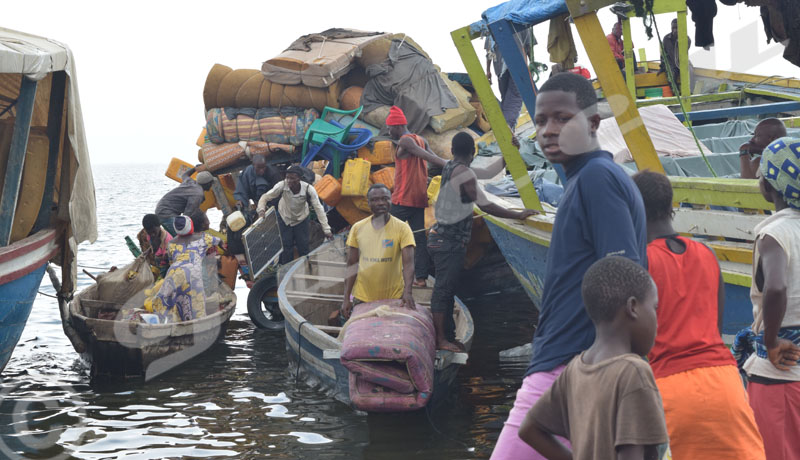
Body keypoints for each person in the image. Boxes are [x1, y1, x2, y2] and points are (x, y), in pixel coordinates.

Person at [490, 72, 647, 460]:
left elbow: (624, 279)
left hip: (570, 366)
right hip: (572, 363)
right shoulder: (589, 178)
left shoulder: (596, 178)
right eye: (541, 121)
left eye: (562, 118)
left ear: (593, 123)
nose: (548, 130)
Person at [633, 170, 766, 459]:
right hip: (726, 382)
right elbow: (715, 329)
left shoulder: (640, 263)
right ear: (671, 206)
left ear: (632, 208)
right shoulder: (706, 254)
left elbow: (633, 341)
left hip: (671, 387)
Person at [519, 256, 668, 460]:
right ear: (633, 307)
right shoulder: (633, 372)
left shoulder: (575, 370)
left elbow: (529, 429)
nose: (656, 320)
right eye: (654, 308)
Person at [428, 132, 537, 352]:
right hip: (448, 243)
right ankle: (440, 340)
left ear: (452, 151)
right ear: (473, 152)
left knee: (448, 291)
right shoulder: (464, 173)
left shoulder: (452, 166)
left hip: (444, 240)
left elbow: (489, 172)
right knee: (443, 291)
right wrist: (518, 214)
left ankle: (448, 336)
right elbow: (485, 205)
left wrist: (508, 153)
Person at [732, 137, 800, 460]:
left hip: (779, 376)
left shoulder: (775, 234)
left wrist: (771, 340)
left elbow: (775, 288)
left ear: (770, 187)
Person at [386, 105, 446, 288]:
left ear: (397, 126)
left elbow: (427, 157)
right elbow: (431, 155)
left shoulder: (406, 141)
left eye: (389, 127)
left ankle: (388, 275)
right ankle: (420, 278)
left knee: (388, 236)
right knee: (419, 239)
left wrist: (448, 165)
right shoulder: (421, 139)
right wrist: (448, 164)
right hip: (418, 199)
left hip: (403, 198)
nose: (388, 131)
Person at [340, 184, 416, 321]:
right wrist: (346, 298)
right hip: (362, 297)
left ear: (391, 200)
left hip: (393, 297)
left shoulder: (403, 228)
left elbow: (409, 264)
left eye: (385, 198)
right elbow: (352, 264)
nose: (380, 203)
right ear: (368, 203)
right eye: (375, 200)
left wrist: (408, 292)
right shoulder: (358, 228)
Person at [146, 212, 222, 323]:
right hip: (193, 273)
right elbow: (221, 243)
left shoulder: (171, 243)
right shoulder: (204, 237)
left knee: (167, 301)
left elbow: (171, 261)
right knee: (197, 304)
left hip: (174, 272)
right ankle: (197, 326)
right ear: (190, 226)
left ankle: (167, 324)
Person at [256, 165, 332, 264]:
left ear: (299, 178)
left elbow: (319, 209)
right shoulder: (282, 185)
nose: (289, 181)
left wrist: (326, 229)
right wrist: (261, 210)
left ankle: (306, 267)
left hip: (301, 219)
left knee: (303, 246)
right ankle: (286, 269)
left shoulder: (308, 189)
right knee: (286, 246)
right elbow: (265, 197)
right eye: (287, 177)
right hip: (284, 218)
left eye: (292, 178)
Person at [485, 26, 535, 129]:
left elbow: (489, 52)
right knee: (514, 96)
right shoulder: (519, 22)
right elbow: (529, 47)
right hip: (517, 65)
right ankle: (508, 126)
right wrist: (531, 64)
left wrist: (488, 70)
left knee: (508, 97)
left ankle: (507, 125)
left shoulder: (491, 27)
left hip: (500, 68)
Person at [155, 167, 213, 236]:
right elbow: (187, 216)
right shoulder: (197, 195)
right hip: (166, 214)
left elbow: (184, 175)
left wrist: (195, 168)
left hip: (161, 207)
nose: (212, 185)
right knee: (182, 237)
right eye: (211, 183)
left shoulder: (190, 181)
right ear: (207, 184)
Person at [137, 213, 173, 279]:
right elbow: (152, 246)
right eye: (149, 232)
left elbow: (170, 258)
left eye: (154, 232)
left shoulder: (167, 239)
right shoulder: (149, 235)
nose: (152, 234)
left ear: (159, 226)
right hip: (157, 263)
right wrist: (147, 251)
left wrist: (163, 257)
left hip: (166, 266)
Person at [661, 19, 692, 89]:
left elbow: (686, 48)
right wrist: (663, 66)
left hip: (682, 63)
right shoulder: (666, 38)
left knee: (690, 72)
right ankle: (676, 94)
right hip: (671, 64)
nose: (675, 30)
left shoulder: (686, 38)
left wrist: (679, 39)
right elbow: (663, 54)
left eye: (677, 28)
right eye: (673, 28)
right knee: (671, 76)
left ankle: (689, 91)